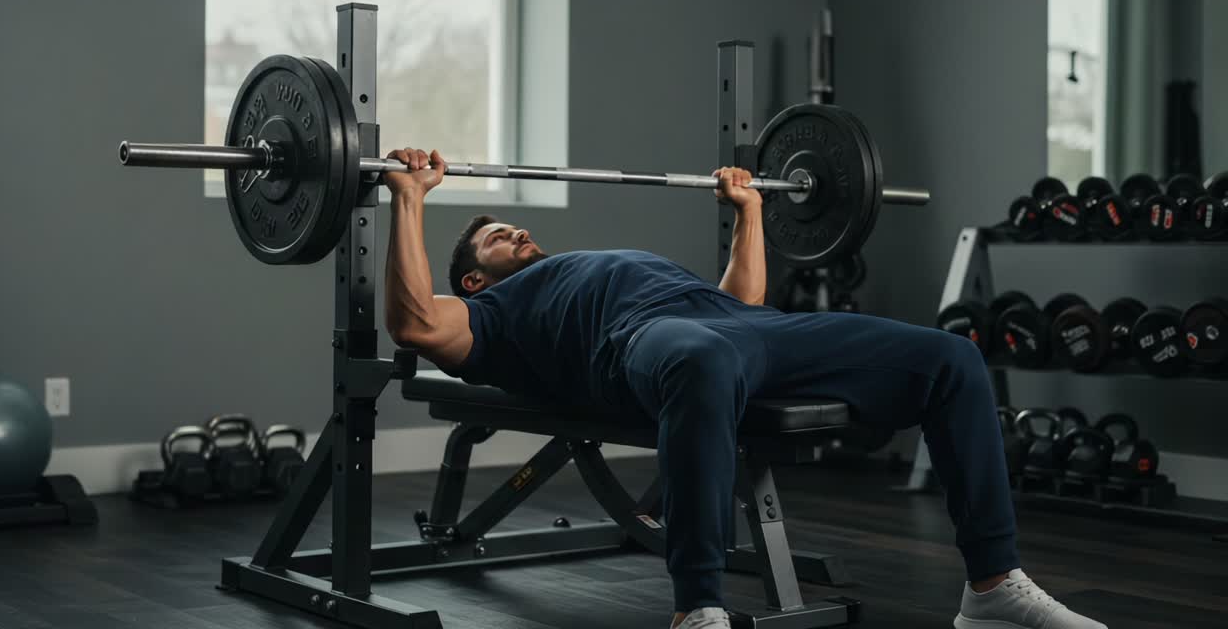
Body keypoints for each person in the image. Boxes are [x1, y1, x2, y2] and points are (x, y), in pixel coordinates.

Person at [381, 148, 1108, 629]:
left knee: (950, 358)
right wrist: (408, 197)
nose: (514, 233)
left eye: (513, 226)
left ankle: (991, 586)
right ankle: (698, 607)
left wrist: (752, 211)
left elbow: (744, 296)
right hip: (647, 345)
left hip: (740, 324)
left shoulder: (592, 260)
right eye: (494, 237)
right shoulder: (492, 311)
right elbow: (416, 326)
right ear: (472, 277)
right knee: (701, 359)